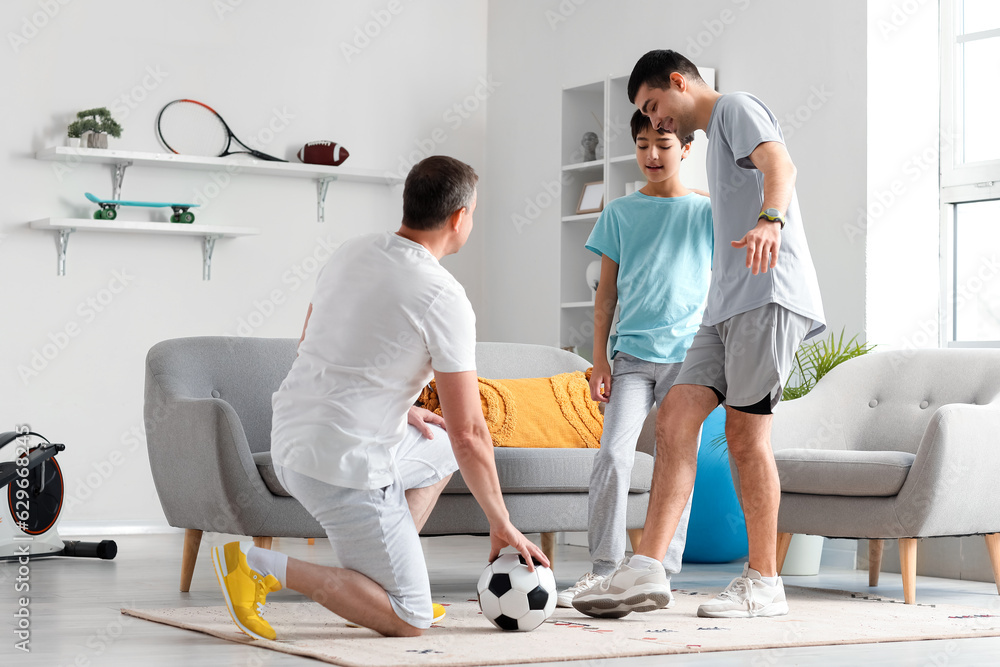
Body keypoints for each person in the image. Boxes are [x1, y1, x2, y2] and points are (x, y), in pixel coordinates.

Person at [211, 155, 548, 640]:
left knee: (434, 443)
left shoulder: (354, 251)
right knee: (408, 620)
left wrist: (399, 404)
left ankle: (378, 583)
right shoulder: (442, 296)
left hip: (290, 442)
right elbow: (471, 432)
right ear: (459, 218)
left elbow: (314, 343)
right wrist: (502, 523)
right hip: (343, 468)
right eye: (473, 212)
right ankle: (258, 566)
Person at [574, 49, 825, 620]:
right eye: (646, 116)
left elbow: (781, 168)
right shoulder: (714, 143)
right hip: (724, 307)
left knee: (744, 435)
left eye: (656, 107)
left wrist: (771, 220)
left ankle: (764, 583)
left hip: (767, 294)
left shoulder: (735, 109)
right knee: (676, 417)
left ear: (680, 83)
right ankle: (645, 568)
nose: (656, 123)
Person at [558, 110, 713, 611]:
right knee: (612, 455)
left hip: (687, 359)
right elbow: (605, 297)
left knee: (676, 460)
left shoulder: (707, 212)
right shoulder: (619, 213)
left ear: (686, 149)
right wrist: (598, 359)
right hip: (630, 358)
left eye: (663, 145)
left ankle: (660, 572)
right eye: (643, 144)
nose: (651, 155)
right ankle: (604, 569)